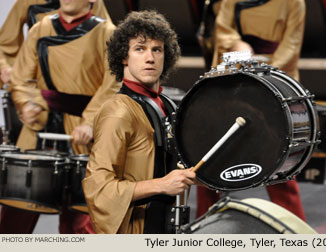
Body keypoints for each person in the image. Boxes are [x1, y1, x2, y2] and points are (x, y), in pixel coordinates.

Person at [0, 0, 120, 234]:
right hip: (40, 125)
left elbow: (113, 83)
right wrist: (28, 104)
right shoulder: (41, 28)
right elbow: (22, 78)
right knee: (17, 208)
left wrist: (90, 121)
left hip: (82, 127)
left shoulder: (107, 33)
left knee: (82, 214)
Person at [82, 10, 197, 234]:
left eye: (157, 49)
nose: (150, 58)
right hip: (136, 230)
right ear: (124, 56)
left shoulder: (167, 105)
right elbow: (98, 188)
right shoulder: (118, 111)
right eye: (140, 49)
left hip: (166, 225)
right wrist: (162, 185)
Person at [196, 0, 307, 220]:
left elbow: (291, 46)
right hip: (235, 80)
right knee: (210, 158)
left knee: (279, 163)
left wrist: (265, 73)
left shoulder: (295, 2)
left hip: (274, 84)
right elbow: (223, 31)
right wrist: (238, 46)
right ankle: (203, 222)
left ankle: (297, 231)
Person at [0, 0, 110, 86]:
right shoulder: (27, 3)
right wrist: (5, 68)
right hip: (42, 84)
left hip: (83, 80)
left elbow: (107, 43)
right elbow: (4, 44)